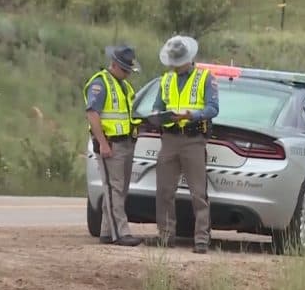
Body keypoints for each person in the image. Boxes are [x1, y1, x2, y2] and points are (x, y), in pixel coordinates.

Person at [152, 35, 219, 254]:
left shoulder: (205, 78)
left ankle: (201, 239)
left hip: (193, 139)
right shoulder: (166, 79)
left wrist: (192, 115)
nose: (175, 65)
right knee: (164, 190)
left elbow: (213, 108)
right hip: (170, 138)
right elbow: (157, 106)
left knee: (198, 193)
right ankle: (165, 235)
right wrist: (158, 115)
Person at [84, 45, 143, 246]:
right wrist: (102, 143)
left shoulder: (124, 86)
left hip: (125, 143)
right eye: (125, 69)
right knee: (113, 189)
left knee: (120, 189)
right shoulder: (100, 83)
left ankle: (107, 232)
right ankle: (121, 233)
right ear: (115, 65)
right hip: (110, 144)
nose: (127, 74)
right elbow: (92, 114)